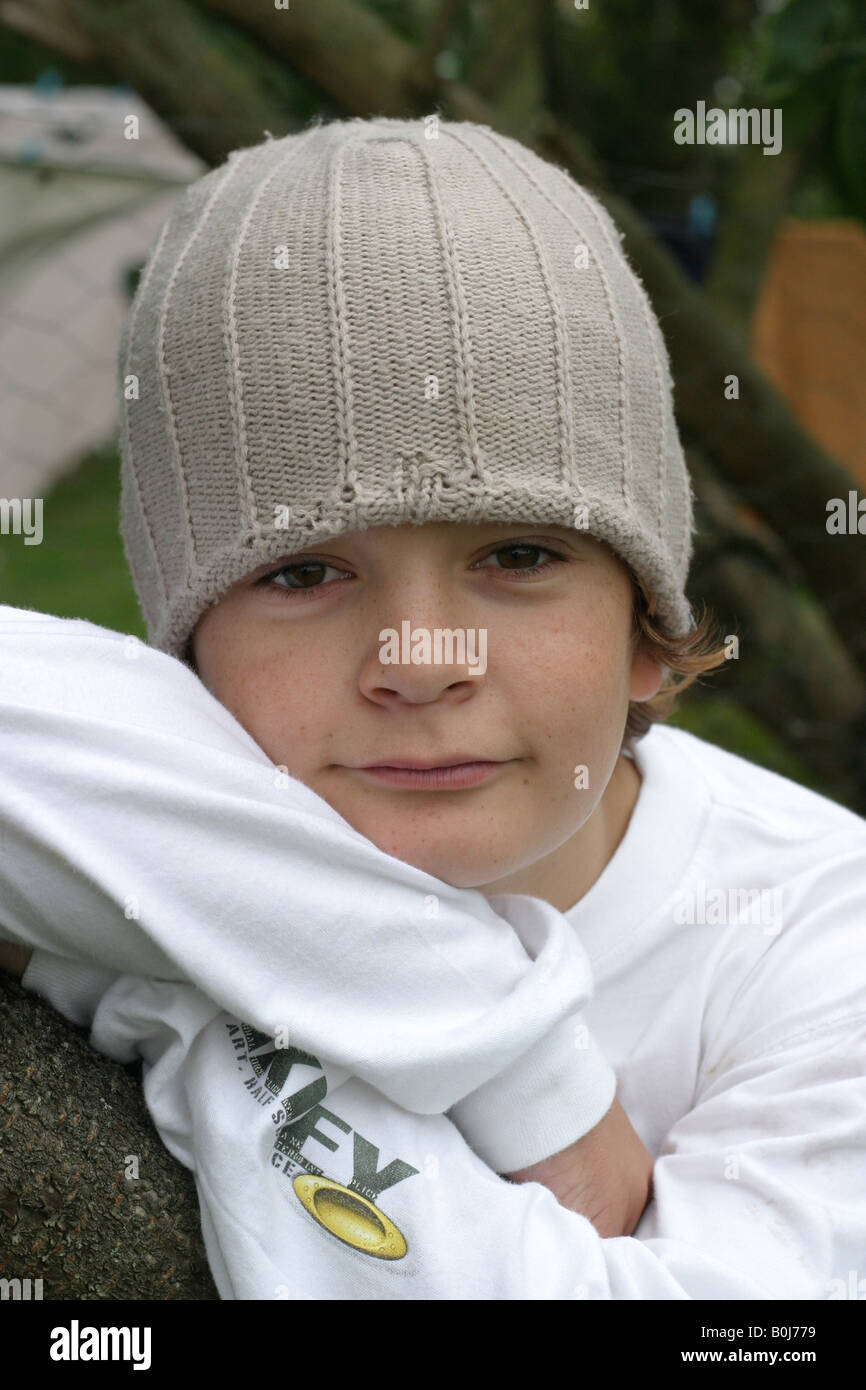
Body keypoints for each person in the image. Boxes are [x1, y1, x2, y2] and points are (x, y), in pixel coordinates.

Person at [1, 115, 865, 1299]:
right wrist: (510, 1058)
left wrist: (205, 1013)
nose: (418, 657)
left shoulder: (825, 938)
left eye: (516, 554)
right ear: (184, 661)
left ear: (643, 633)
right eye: (299, 572)